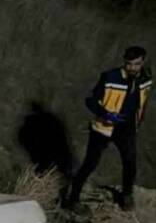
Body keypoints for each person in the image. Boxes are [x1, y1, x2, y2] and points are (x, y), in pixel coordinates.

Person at [65, 46, 152, 211]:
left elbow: (143, 100)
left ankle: (127, 196)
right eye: (129, 64)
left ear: (143, 61)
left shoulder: (146, 77)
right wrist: (106, 114)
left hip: (127, 129)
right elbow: (90, 100)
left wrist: (139, 119)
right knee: (90, 164)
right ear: (124, 62)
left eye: (136, 64)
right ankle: (73, 199)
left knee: (130, 163)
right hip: (103, 128)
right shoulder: (110, 77)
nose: (132, 68)